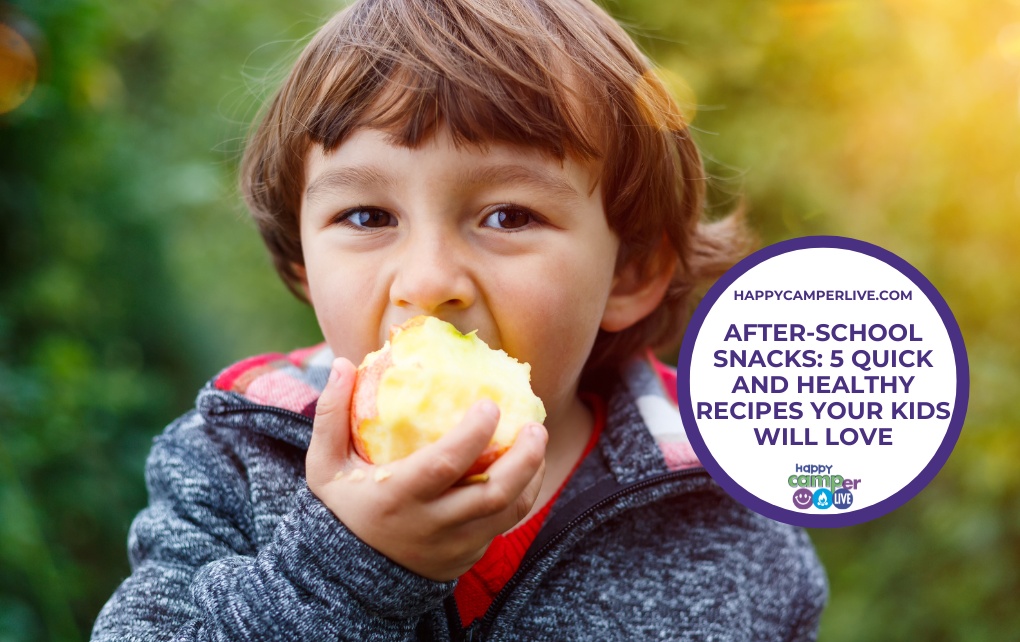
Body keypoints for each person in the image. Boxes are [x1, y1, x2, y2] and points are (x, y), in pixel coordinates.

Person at [92, 0, 828, 639]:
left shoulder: (733, 521)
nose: (429, 281)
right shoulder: (233, 459)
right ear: (303, 265)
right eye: (368, 215)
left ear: (629, 273)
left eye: (508, 215)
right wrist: (347, 566)